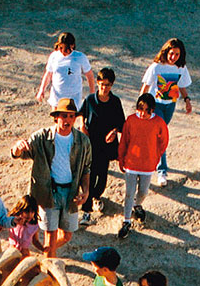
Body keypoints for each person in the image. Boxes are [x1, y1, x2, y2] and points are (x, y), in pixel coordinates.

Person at [10, 98, 92, 259]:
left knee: (67, 235)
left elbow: (86, 168)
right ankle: (49, 270)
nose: (67, 120)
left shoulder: (83, 141)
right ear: (56, 117)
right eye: (64, 116)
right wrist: (17, 148)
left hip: (71, 193)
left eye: (71, 116)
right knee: (51, 235)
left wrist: (86, 190)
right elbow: (20, 153)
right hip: (48, 193)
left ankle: (47, 252)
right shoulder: (41, 137)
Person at [115, 92, 169, 239]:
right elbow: (124, 141)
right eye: (140, 108)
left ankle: (137, 206)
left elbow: (164, 141)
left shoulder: (158, 122)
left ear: (153, 110)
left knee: (143, 191)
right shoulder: (131, 120)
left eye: (147, 110)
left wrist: (156, 155)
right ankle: (126, 221)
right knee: (129, 193)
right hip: (131, 164)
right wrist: (121, 159)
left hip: (147, 165)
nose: (143, 113)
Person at [140, 37, 192, 185]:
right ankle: (162, 171)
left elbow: (181, 85)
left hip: (170, 105)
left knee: (156, 136)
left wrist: (187, 100)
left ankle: (150, 156)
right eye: (171, 53)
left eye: (177, 54)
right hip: (155, 105)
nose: (173, 57)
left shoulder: (180, 68)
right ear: (166, 52)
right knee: (161, 134)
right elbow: (145, 86)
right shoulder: (156, 67)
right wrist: (140, 106)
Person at [77, 67, 125, 226]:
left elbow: (121, 123)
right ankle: (86, 211)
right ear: (97, 83)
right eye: (102, 84)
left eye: (108, 85)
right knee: (89, 177)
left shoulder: (115, 102)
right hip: (90, 145)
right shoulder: (90, 100)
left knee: (102, 179)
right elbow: (81, 113)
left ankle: (95, 196)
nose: (105, 88)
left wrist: (114, 132)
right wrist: (82, 126)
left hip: (106, 146)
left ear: (112, 85)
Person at [36, 31, 97, 107]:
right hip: (57, 95)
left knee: (70, 118)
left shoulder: (80, 57)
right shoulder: (54, 56)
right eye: (60, 48)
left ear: (72, 46)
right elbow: (48, 74)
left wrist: (92, 93)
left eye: (65, 49)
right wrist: (41, 90)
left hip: (74, 97)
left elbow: (89, 75)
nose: (62, 51)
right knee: (56, 118)